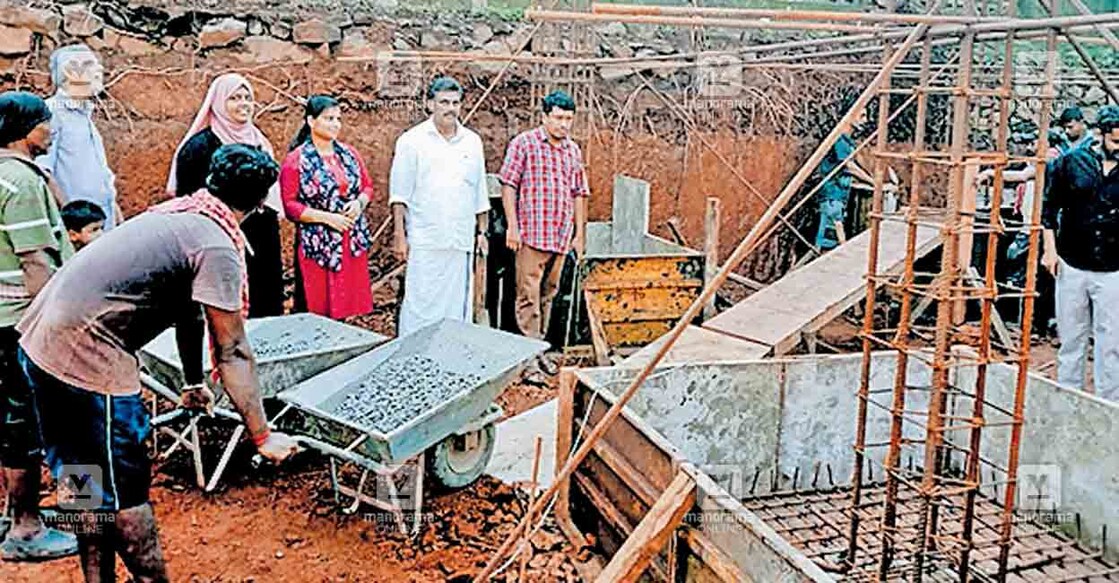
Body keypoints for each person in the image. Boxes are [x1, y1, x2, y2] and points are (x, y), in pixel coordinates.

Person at [17, 144, 301, 582]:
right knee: (127, 496)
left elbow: (189, 312)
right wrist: (262, 435)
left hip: (41, 347)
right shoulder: (217, 245)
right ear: (262, 200)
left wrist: (191, 381)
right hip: (88, 362)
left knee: (81, 479)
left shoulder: (179, 214)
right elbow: (233, 350)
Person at [0, 91, 78, 561]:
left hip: (3, 319)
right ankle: (36, 527)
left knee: (12, 419)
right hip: (24, 322)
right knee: (61, 420)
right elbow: (36, 263)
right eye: (46, 123)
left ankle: (16, 515)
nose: (51, 130)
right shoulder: (21, 183)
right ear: (26, 130)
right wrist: (57, 326)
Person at [167, 73, 284, 318]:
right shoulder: (199, 148)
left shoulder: (259, 141)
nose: (243, 104)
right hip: (217, 236)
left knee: (264, 295)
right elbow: (189, 201)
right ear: (219, 102)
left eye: (247, 98)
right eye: (234, 98)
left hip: (261, 233)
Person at [389, 77, 489, 336]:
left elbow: (478, 193)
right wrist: (400, 235)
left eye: (455, 103)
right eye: (444, 102)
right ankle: (413, 358)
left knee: (457, 307)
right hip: (425, 238)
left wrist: (482, 233)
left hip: (460, 240)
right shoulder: (412, 141)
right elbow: (400, 194)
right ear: (430, 104)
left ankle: (449, 359)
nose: (450, 108)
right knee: (420, 303)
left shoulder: (472, 142)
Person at [498, 90, 589, 349]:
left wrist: (579, 234)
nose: (563, 124)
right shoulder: (525, 143)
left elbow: (579, 192)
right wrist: (512, 227)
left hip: (560, 236)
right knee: (528, 294)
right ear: (544, 117)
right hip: (531, 234)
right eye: (558, 118)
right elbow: (508, 185)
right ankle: (528, 352)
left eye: (568, 119)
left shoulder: (573, 150)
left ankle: (541, 347)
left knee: (550, 293)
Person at [1042, 105, 1119, 401]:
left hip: (1113, 267)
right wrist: (1049, 251)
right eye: (1114, 141)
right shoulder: (1072, 162)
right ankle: (1067, 399)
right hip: (1071, 262)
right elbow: (1049, 209)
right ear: (1100, 134)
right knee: (1071, 338)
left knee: (1111, 341)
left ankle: (1107, 406)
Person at [280, 95, 374, 320]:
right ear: (311, 121)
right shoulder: (296, 160)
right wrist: (327, 218)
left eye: (338, 119)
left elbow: (367, 186)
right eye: (328, 118)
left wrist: (358, 204)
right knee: (317, 305)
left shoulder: (349, 154)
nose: (335, 124)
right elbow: (290, 205)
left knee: (347, 304)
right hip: (318, 242)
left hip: (349, 239)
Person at [36, 44, 120, 229]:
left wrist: (115, 211)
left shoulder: (83, 114)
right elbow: (43, 172)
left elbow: (99, 172)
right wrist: (71, 218)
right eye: (89, 64)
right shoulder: (52, 113)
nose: (99, 70)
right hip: (79, 230)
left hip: (100, 223)